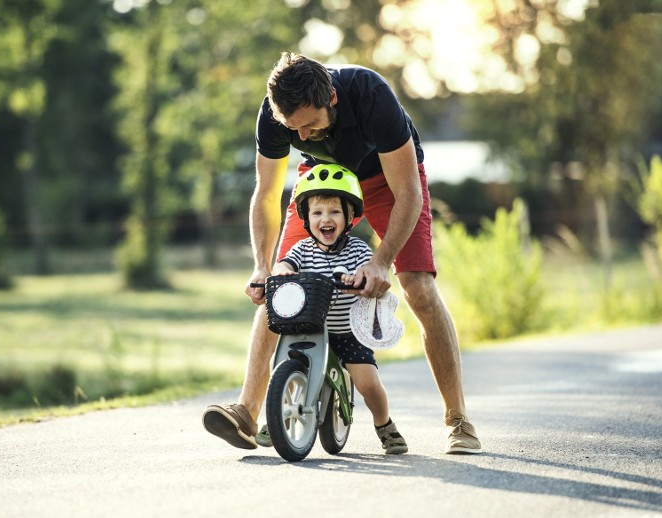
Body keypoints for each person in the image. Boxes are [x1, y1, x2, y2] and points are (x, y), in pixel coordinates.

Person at [202, 51, 481, 454]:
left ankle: (459, 419)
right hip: (324, 182)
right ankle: (247, 411)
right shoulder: (277, 114)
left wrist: (381, 260)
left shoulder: (371, 95)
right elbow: (265, 195)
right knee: (280, 286)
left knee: (418, 288)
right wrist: (262, 267)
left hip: (389, 179)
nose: (305, 137)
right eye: (294, 130)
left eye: (311, 125)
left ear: (331, 98)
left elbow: (409, 193)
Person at [256, 163, 407, 454]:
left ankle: (385, 425)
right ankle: (276, 415)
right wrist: (282, 271)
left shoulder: (359, 251)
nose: (325, 219)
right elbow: (285, 264)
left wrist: (360, 278)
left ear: (350, 216)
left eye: (334, 212)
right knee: (281, 364)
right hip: (308, 327)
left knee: (368, 382)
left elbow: (369, 271)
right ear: (305, 217)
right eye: (317, 213)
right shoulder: (301, 250)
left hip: (347, 333)